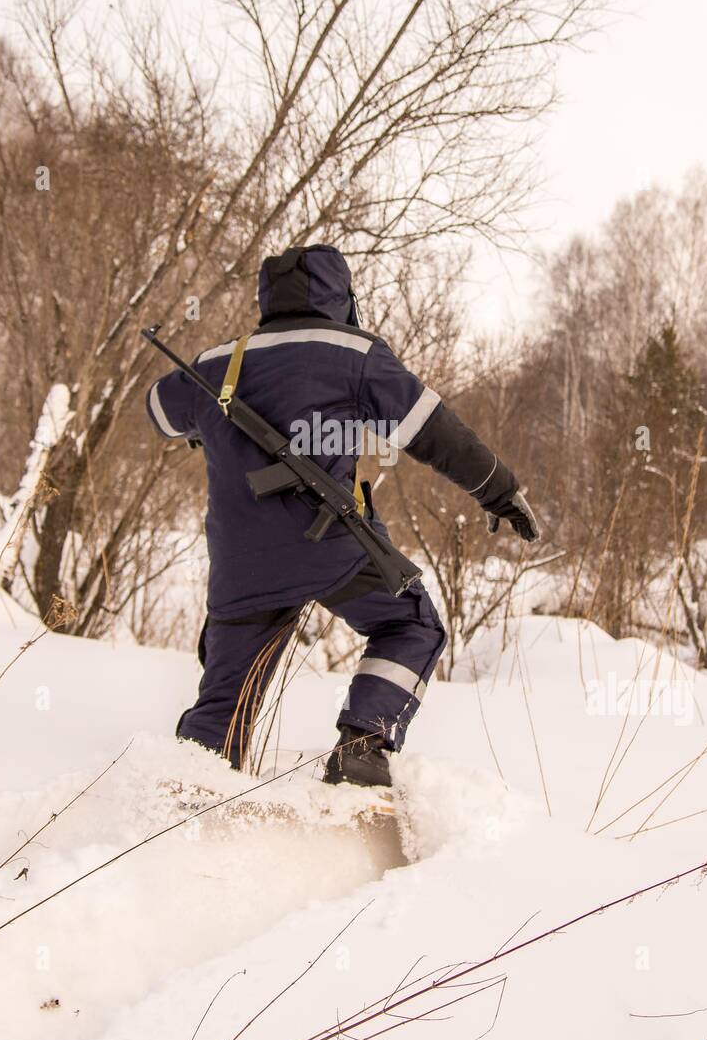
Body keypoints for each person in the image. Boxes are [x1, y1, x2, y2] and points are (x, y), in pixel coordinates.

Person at [146, 244, 539, 787]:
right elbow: (434, 431)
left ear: (267, 299)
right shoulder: (357, 354)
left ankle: (183, 798)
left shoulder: (218, 364)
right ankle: (363, 743)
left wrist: (203, 425)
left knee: (222, 707)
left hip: (242, 567)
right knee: (410, 624)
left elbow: (158, 411)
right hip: (334, 547)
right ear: (342, 297)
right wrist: (498, 489)